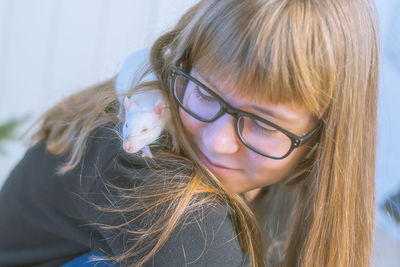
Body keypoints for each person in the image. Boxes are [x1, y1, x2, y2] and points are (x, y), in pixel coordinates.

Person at [0, 0, 380, 266]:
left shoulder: (289, 184)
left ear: (321, 141)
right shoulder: (136, 158)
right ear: (185, 62)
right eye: (204, 93)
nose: (217, 142)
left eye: (264, 124)